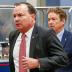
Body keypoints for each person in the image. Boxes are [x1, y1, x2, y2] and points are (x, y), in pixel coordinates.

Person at [9, 2, 68, 72]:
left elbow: (62, 58)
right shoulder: (13, 35)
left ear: (32, 17)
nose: (16, 19)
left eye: (20, 15)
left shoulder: (46, 34)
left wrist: (38, 63)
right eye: (14, 16)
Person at [48, 8, 72, 72]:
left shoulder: (70, 38)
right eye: (49, 19)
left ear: (63, 21)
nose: (50, 22)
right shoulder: (43, 37)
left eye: (53, 19)